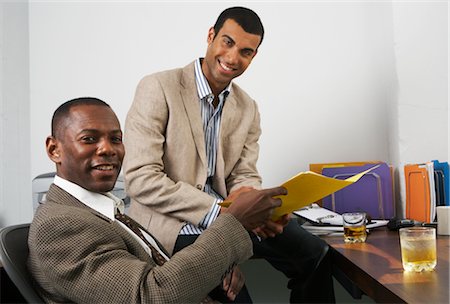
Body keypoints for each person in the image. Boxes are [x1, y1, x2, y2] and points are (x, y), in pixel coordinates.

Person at [124, 6, 335, 303]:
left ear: (254, 56)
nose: (233, 58)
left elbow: (244, 173)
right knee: (233, 293)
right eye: (228, 42)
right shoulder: (158, 87)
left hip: (230, 217)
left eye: (246, 52)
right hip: (170, 225)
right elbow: (140, 179)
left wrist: (258, 207)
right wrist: (223, 215)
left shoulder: (248, 108)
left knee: (316, 253)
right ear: (211, 36)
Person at [27, 97, 287, 303]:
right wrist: (232, 222)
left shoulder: (104, 210)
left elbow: (154, 269)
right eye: (89, 139)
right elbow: (148, 296)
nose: (108, 149)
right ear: (54, 149)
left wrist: (215, 271)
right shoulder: (60, 225)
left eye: (115, 139)